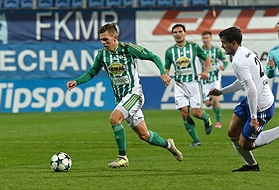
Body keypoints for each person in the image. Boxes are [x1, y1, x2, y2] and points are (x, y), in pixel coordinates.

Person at [67, 22, 183, 168]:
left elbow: (153, 57)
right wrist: (77, 82)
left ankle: (122, 157)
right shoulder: (102, 55)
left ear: (115, 37)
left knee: (114, 118)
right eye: (101, 40)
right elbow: (92, 72)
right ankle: (169, 145)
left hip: (134, 94)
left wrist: (163, 73)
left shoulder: (128, 49)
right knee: (144, 135)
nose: (103, 43)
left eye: (106, 40)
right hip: (122, 98)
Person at [208, 26, 279, 172]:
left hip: (261, 106)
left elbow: (251, 89)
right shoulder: (245, 53)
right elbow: (243, 82)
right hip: (252, 100)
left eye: (223, 42)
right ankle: (252, 166)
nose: (222, 46)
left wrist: (254, 117)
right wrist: (221, 91)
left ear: (233, 43)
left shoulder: (238, 61)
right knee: (232, 132)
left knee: (245, 144)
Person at [164, 24, 213, 147]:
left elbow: (207, 59)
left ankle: (206, 118)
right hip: (179, 85)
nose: (178, 34)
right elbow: (167, 67)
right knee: (184, 113)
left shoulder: (193, 47)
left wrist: (206, 71)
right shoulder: (170, 51)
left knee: (196, 113)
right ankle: (196, 140)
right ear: (172, 35)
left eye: (180, 31)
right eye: (175, 32)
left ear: (185, 33)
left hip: (193, 84)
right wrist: (166, 75)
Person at [200, 30, 229, 128]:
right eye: (204, 38)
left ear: (210, 39)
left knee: (216, 98)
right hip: (204, 79)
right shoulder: (199, 50)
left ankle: (218, 122)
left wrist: (223, 66)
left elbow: (225, 61)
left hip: (215, 78)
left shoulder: (217, 50)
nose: (205, 40)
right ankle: (211, 100)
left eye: (207, 38)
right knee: (207, 104)